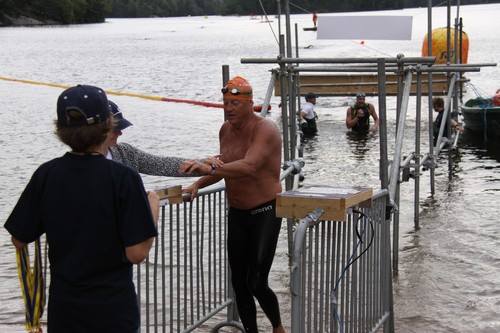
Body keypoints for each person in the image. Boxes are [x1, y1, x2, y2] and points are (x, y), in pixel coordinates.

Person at [4, 85, 159, 332]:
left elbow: (19, 239)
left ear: (60, 129)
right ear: (108, 124)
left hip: (65, 311)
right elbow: (136, 253)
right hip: (113, 312)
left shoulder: (47, 174)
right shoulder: (123, 178)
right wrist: (152, 209)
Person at [181, 76, 286, 333]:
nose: (228, 108)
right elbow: (224, 165)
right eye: (226, 103)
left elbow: (249, 166)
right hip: (237, 214)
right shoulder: (225, 130)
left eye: (235, 103)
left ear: (250, 104)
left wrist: (211, 165)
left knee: (257, 281)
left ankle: (278, 327)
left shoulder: (266, 130)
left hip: (265, 211)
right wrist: (198, 183)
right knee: (239, 283)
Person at [106, 100, 221, 176]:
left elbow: (162, 164)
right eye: (115, 129)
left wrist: (202, 163)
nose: (120, 133)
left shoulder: (125, 152)